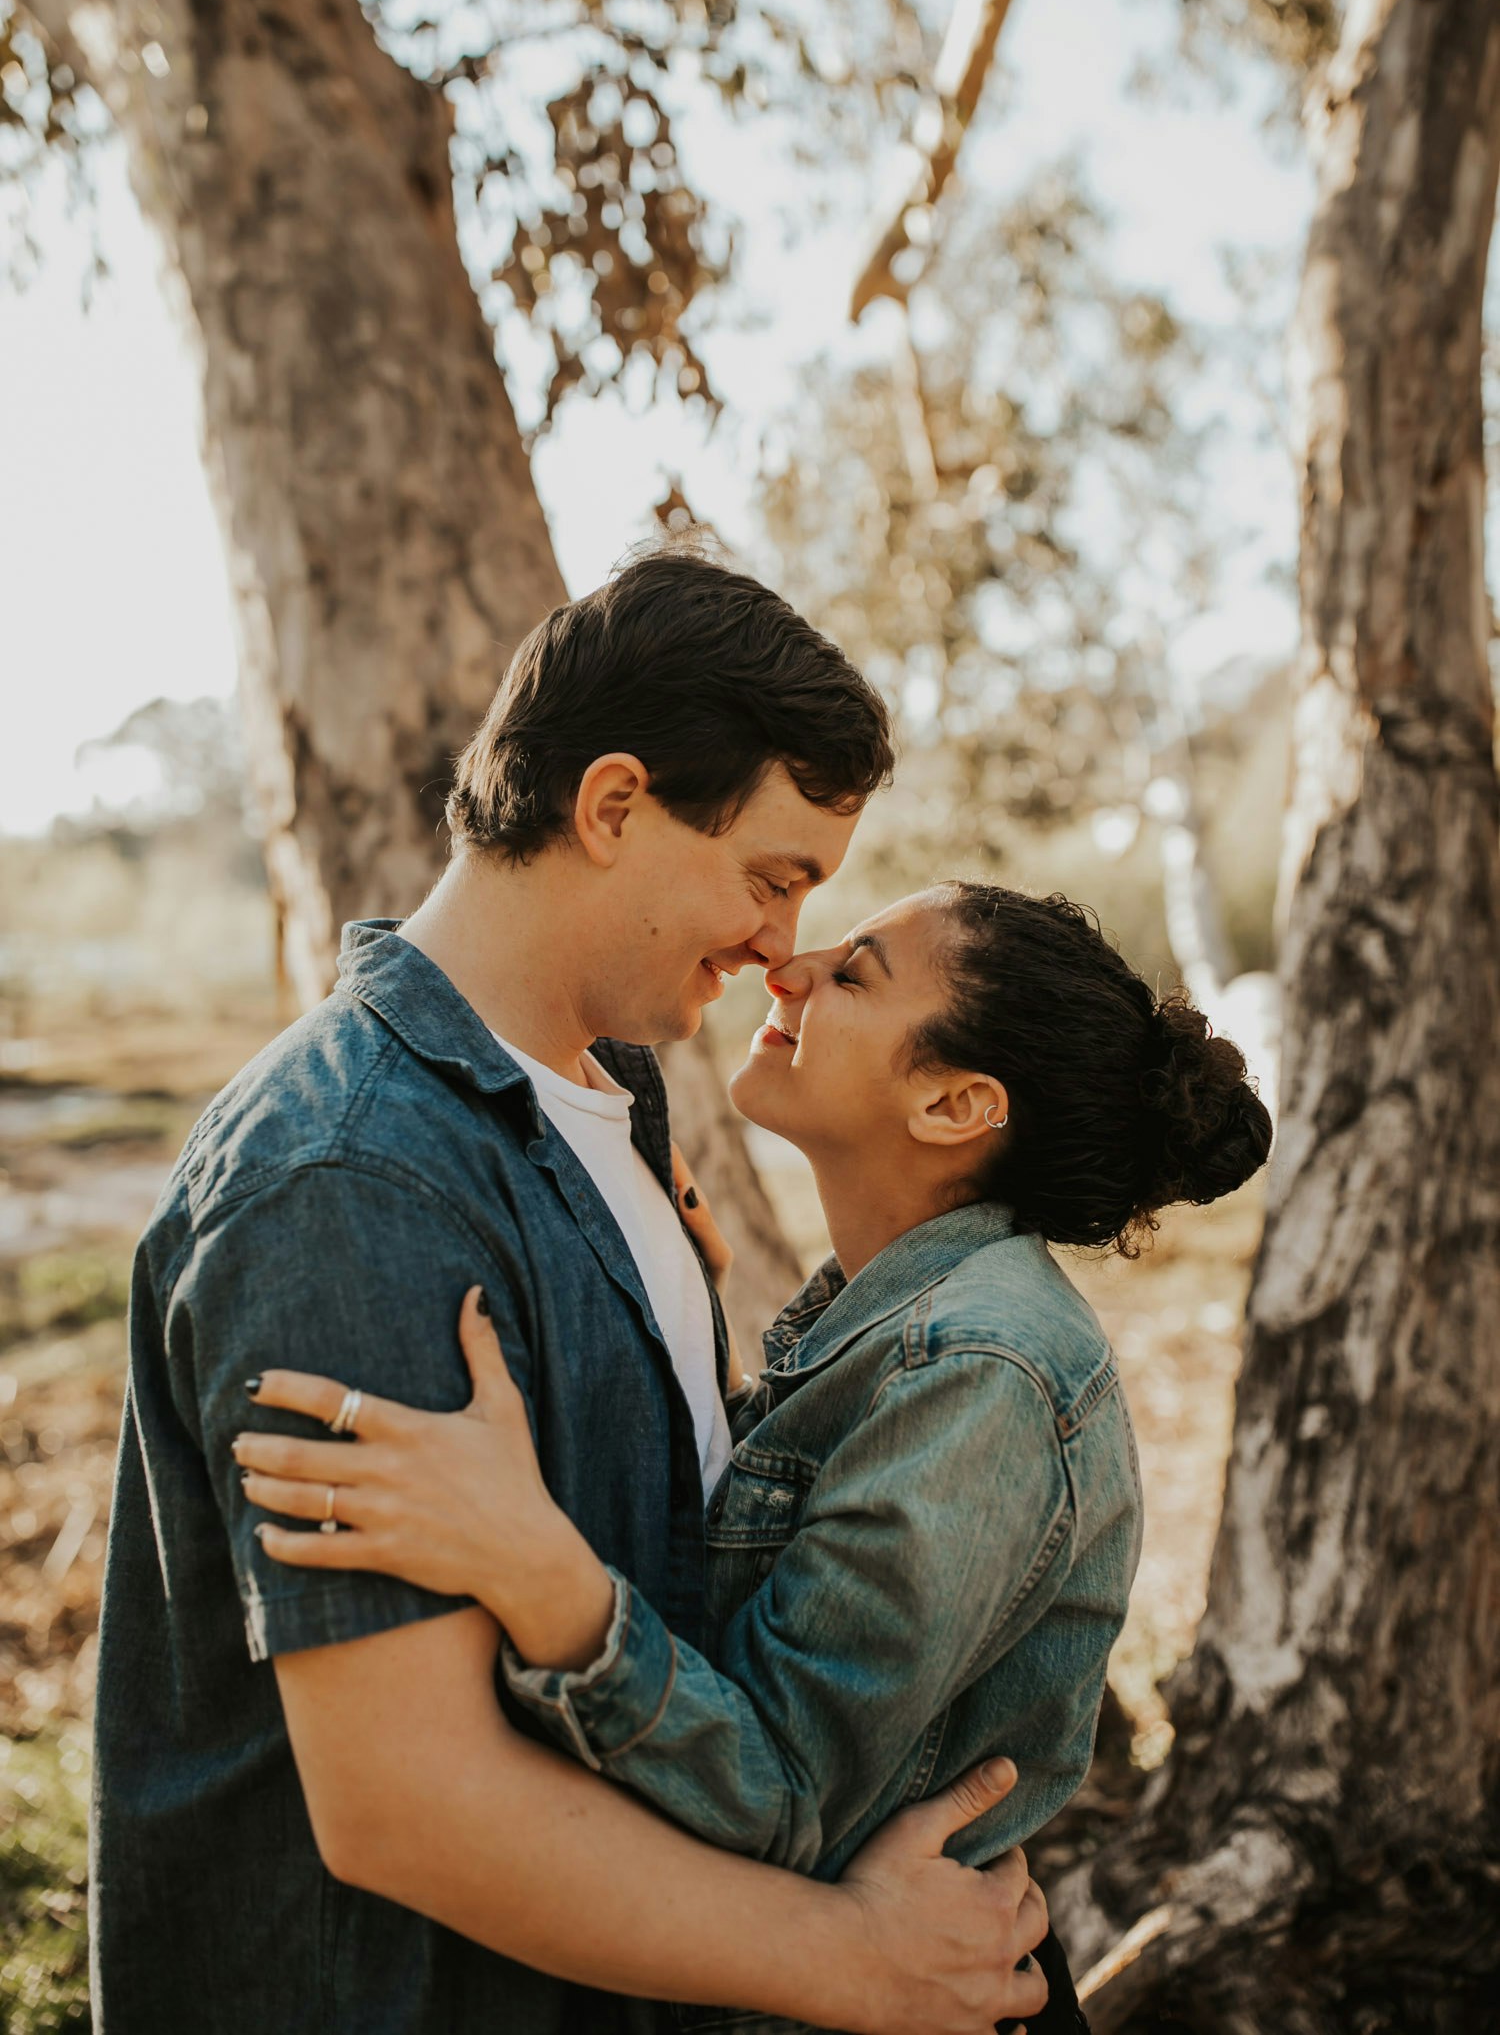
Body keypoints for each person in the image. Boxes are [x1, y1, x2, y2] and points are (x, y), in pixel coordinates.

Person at [89, 547, 1052, 2035]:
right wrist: (853, 1958)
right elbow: (405, 1806)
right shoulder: (349, 1184)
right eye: (770, 877)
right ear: (612, 805)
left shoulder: (614, 1096)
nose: (782, 947)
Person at [230, 884, 1275, 2035]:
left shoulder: (983, 1373)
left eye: (857, 972)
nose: (790, 967)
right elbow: (775, 1569)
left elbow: (776, 1785)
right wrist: (679, 1330)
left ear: (954, 1102)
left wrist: (534, 1568)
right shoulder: (904, 1326)